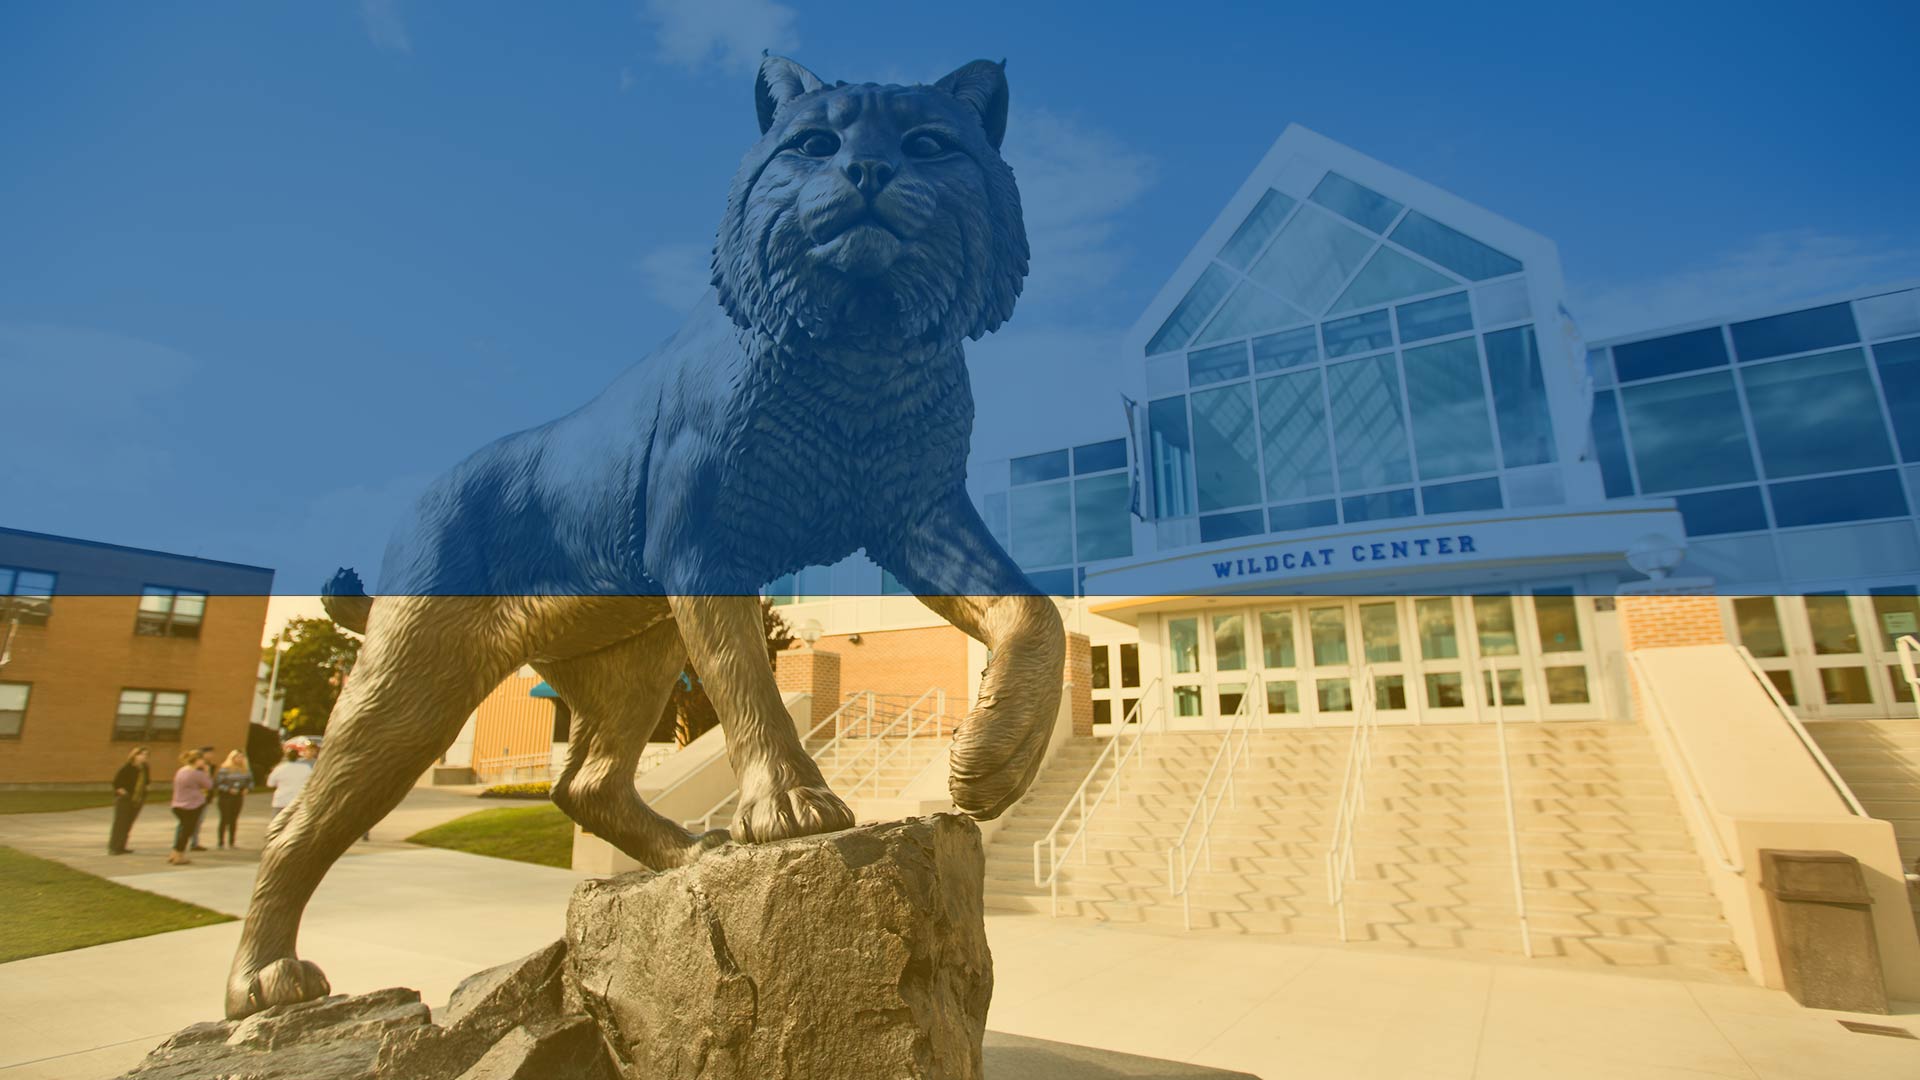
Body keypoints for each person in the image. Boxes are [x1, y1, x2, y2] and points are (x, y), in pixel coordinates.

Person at [169, 748, 212, 865]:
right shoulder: (197, 774)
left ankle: (173, 853)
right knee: (186, 832)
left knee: (182, 830)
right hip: (192, 805)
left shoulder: (181, 771)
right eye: (202, 760)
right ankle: (179, 856)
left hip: (177, 804)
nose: (204, 762)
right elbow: (209, 785)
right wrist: (206, 772)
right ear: (197, 760)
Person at [108, 746, 150, 855]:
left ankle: (122, 846)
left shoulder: (144, 768)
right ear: (135, 755)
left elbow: (147, 782)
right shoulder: (127, 767)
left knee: (128, 824)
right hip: (124, 799)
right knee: (120, 824)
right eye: (142, 754)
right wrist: (123, 793)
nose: (144, 757)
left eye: (146, 755)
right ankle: (114, 847)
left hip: (137, 799)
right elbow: (116, 783)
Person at [267, 741, 315, 824]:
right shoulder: (306, 768)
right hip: (297, 802)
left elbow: (270, 784)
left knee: (276, 826)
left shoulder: (280, 768)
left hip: (280, 801)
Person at [214, 750, 252, 849]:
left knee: (234, 819)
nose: (239, 759)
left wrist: (247, 788)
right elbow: (218, 783)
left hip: (238, 796)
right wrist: (228, 789)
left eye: (241, 757)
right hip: (226, 797)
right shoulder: (225, 769)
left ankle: (232, 841)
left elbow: (250, 782)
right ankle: (221, 842)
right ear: (232, 758)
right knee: (224, 818)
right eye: (237, 757)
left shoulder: (245, 770)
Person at [188, 745, 216, 851]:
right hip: (194, 798)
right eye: (209, 753)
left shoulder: (209, 766)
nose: (211, 755)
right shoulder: (197, 768)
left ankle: (195, 842)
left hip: (204, 798)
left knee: (199, 821)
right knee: (189, 821)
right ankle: (188, 842)